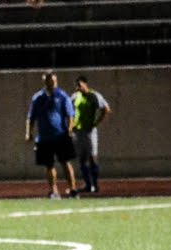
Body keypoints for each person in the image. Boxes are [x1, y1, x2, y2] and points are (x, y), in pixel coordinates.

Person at [26, 71, 79, 199]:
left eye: (54, 80)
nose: (52, 83)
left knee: (65, 162)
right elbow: (30, 117)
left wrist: (70, 129)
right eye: (49, 80)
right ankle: (54, 191)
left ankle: (72, 189)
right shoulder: (38, 98)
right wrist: (28, 132)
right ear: (45, 81)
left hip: (60, 136)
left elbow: (70, 115)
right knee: (49, 165)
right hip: (44, 137)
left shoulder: (62, 96)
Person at [71, 76, 110, 194]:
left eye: (80, 85)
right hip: (77, 131)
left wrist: (96, 123)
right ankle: (87, 184)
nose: (78, 88)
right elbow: (69, 111)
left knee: (92, 157)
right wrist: (71, 125)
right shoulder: (74, 97)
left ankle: (95, 184)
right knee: (82, 159)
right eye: (77, 85)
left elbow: (106, 109)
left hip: (89, 131)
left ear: (85, 84)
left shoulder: (94, 96)